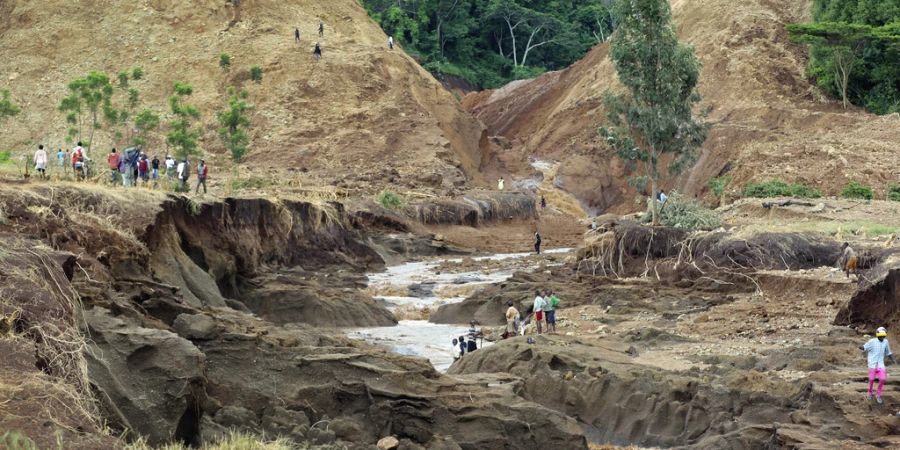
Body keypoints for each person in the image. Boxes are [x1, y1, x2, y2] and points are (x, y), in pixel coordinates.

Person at [861, 327, 896, 404]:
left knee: (883, 379)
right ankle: (870, 393)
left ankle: (878, 394)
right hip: (872, 364)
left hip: (880, 364)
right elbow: (865, 347)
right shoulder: (872, 341)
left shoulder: (886, 342)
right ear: (878, 335)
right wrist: (862, 347)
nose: (882, 337)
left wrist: (894, 360)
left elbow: (888, 352)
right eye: (881, 336)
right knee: (871, 379)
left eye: (883, 336)